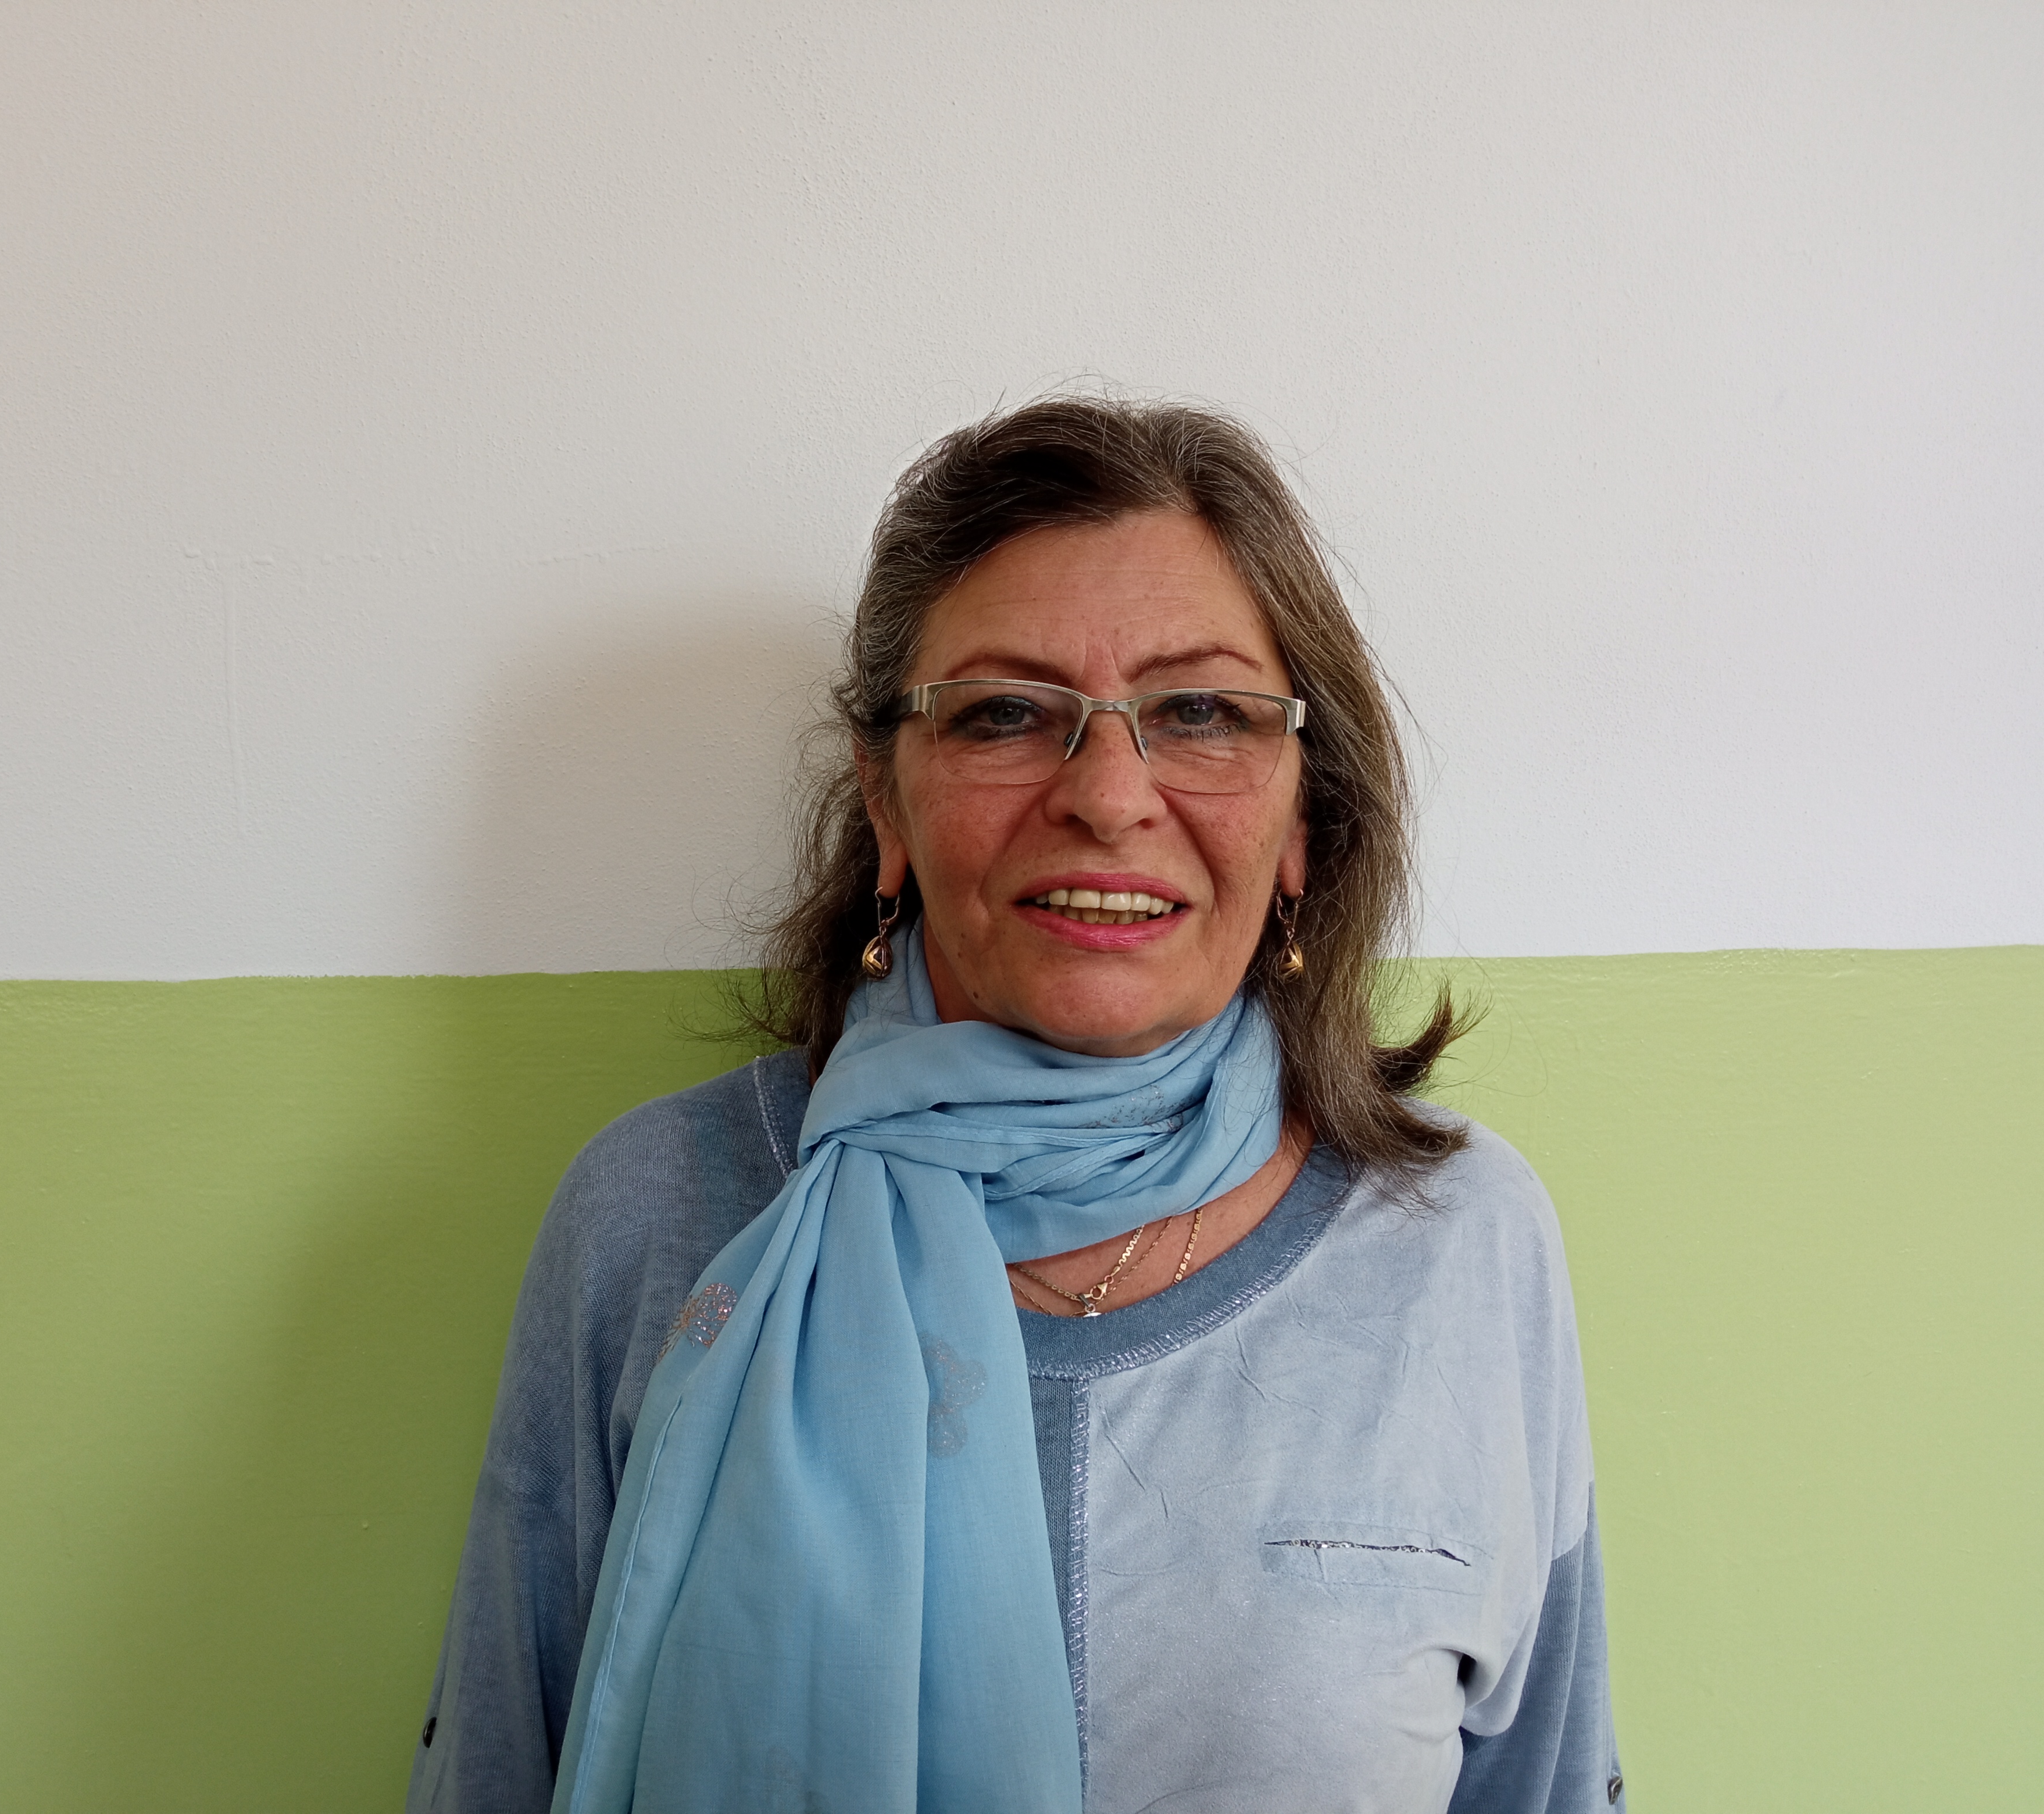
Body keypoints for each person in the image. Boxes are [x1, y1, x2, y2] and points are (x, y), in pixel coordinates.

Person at [407, 397, 1624, 1814]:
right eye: (1002, 714)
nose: (1109, 796)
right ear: (885, 802)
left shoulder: (1461, 1245)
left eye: (1200, 713)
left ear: (1303, 817)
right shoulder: (658, 1216)